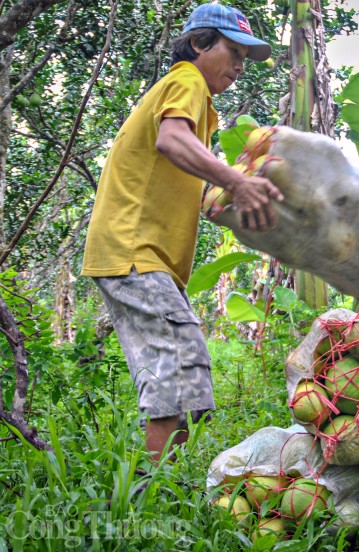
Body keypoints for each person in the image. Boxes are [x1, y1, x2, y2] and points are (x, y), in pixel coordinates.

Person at [81, 3, 283, 461]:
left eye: (243, 57)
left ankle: (169, 483)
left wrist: (221, 196)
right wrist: (234, 180)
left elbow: (175, 170)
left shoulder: (198, 105)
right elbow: (171, 141)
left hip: (146, 259)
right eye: (232, 51)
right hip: (134, 252)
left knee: (190, 379)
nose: (237, 65)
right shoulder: (186, 80)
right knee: (173, 369)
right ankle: (153, 500)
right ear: (198, 44)